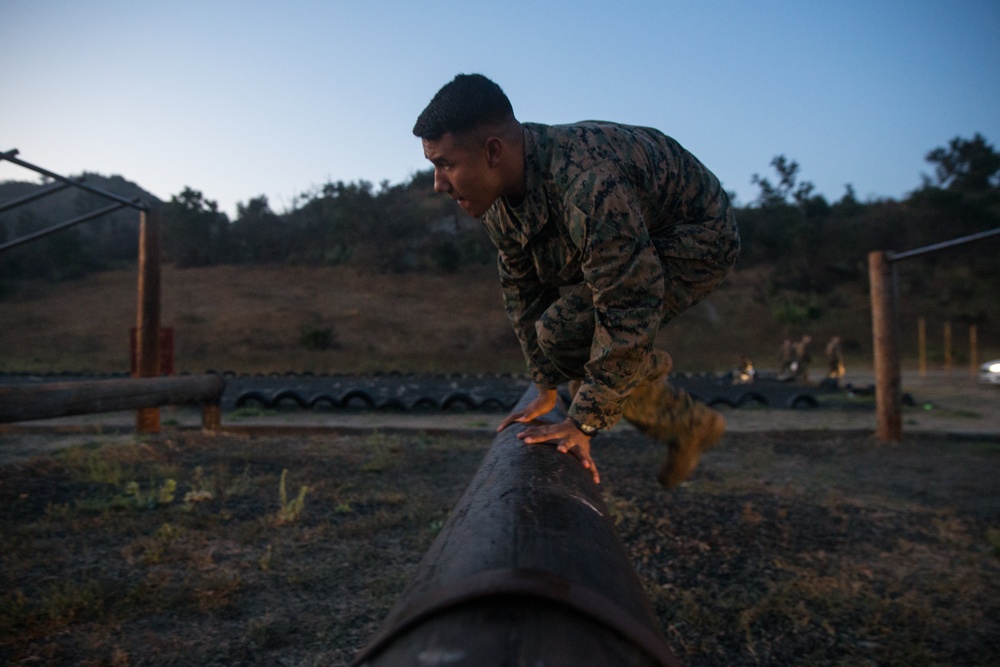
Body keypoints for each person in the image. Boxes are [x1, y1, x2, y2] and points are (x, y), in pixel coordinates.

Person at [413, 74, 740, 487]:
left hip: (698, 235)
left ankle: (674, 409)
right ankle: (684, 419)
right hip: (632, 230)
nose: (438, 184)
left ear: (492, 150)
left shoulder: (589, 182)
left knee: (566, 333)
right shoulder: (500, 205)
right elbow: (523, 287)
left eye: (445, 164)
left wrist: (582, 423)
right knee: (558, 336)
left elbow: (628, 301)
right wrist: (545, 384)